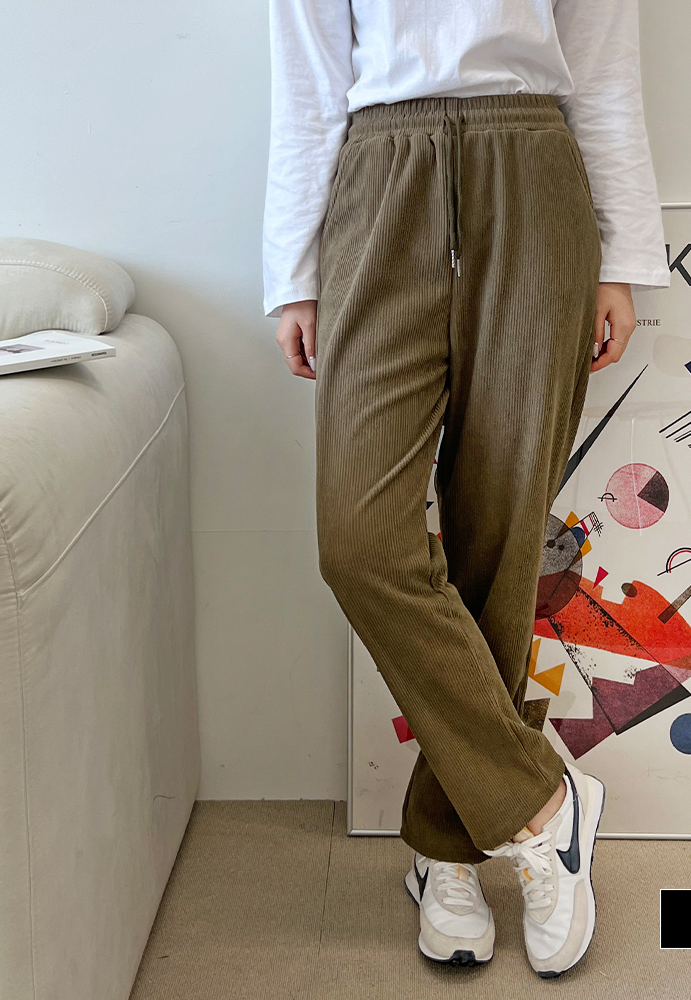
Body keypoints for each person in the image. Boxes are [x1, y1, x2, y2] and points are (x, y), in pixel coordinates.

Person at [263, 0, 669, 978]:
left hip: (532, 175)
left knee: (500, 540)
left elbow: (602, 71)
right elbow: (307, 85)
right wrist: (293, 274)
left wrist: (619, 258)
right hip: (379, 183)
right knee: (360, 542)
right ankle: (541, 802)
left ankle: (449, 853)